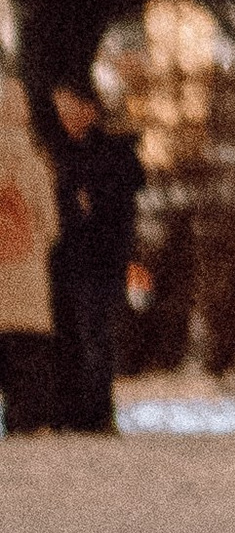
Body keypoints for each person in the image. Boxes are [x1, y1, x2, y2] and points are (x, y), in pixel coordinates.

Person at [47, 77, 143, 432]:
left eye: (70, 107)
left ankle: (96, 412)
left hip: (96, 261)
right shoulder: (66, 152)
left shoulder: (103, 155)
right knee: (79, 334)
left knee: (93, 334)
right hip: (74, 260)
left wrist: (87, 206)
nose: (65, 116)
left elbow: (102, 210)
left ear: (90, 109)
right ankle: (79, 410)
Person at [0, 75, 57, 433]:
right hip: (26, 270)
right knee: (26, 353)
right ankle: (25, 419)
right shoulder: (33, 160)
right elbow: (48, 220)